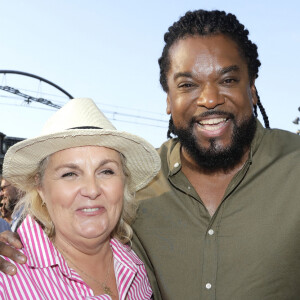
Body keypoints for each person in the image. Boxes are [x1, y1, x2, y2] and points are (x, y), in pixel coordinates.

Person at [1, 9, 300, 300]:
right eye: (187, 85)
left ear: (253, 89)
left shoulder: (131, 270)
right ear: (169, 100)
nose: (209, 99)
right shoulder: (142, 181)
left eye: (228, 80)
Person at [0, 97, 160, 299]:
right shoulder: (7, 281)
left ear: (124, 183)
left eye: (106, 171)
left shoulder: (138, 266)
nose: (92, 190)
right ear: (40, 187)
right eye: (70, 174)